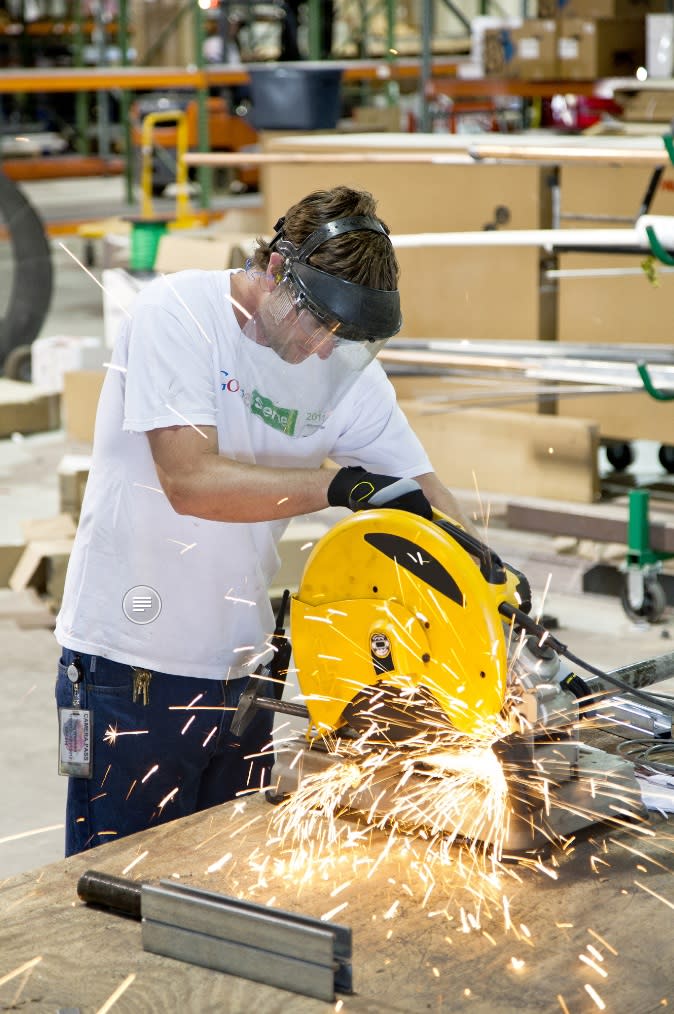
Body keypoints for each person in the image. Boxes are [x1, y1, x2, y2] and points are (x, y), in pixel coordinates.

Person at [54, 185, 476, 857]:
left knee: (224, 896)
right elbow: (189, 481)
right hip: (128, 668)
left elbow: (425, 495)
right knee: (119, 894)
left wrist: (485, 590)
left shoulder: (342, 371)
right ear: (277, 268)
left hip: (244, 676)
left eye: (343, 336)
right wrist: (336, 486)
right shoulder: (178, 315)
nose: (321, 348)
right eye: (316, 322)